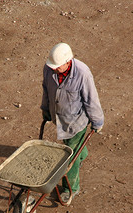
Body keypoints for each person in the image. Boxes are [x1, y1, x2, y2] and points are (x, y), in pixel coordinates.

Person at [41, 42, 104, 204]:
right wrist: (45, 109)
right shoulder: (49, 69)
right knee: (76, 150)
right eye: (53, 66)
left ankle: (70, 189)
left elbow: (91, 99)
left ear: (69, 61)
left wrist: (97, 121)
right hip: (59, 118)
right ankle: (82, 154)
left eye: (58, 67)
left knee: (70, 158)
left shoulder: (82, 73)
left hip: (76, 122)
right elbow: (46, 89)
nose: (54, 69)